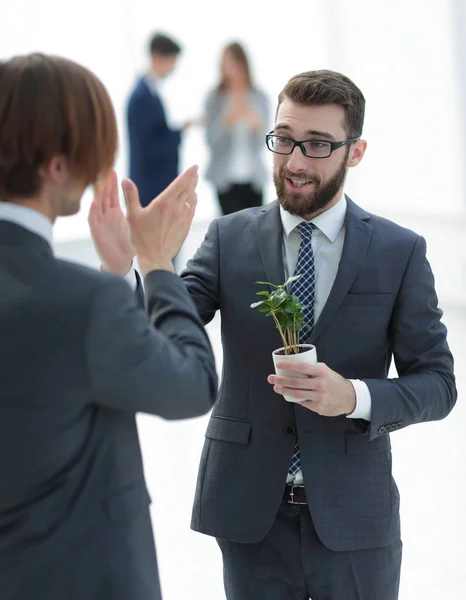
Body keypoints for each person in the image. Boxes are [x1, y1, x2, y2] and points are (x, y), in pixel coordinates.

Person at [179, 70, 457, 599]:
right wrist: (138, 262)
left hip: (355, 519)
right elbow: (168, 322)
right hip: (248, 512)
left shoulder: (399, 252)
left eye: (318, 145)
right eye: (284, 139)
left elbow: (439, 384)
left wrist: (354, 396)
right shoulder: (227, 237)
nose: (296, 161)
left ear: (355, 152)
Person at [0, 52, 217, 600]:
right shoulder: (81, 304)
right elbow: (192, 385)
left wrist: (115, 274)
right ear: (56, 166)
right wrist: (157, 265)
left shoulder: (81, 300)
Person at [204, 41, 270, 215]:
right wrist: (225, 123)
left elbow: (264, 143)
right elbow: (211, 142)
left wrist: (257, 126)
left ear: (244, 65)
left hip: (253, 179)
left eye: (234, 64)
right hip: (225, 180)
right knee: (232, 232)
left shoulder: (259, 97)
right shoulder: (215, 98)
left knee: (256, 230)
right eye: (225, 65)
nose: (230, 70)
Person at [127, 32, 189, 207]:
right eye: (172, 62)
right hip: (150, 189)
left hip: (154, 186)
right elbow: (148, 146)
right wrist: (178, 133)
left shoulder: (151, 93)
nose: (173, 69)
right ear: (157, 57)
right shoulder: (141, 96)